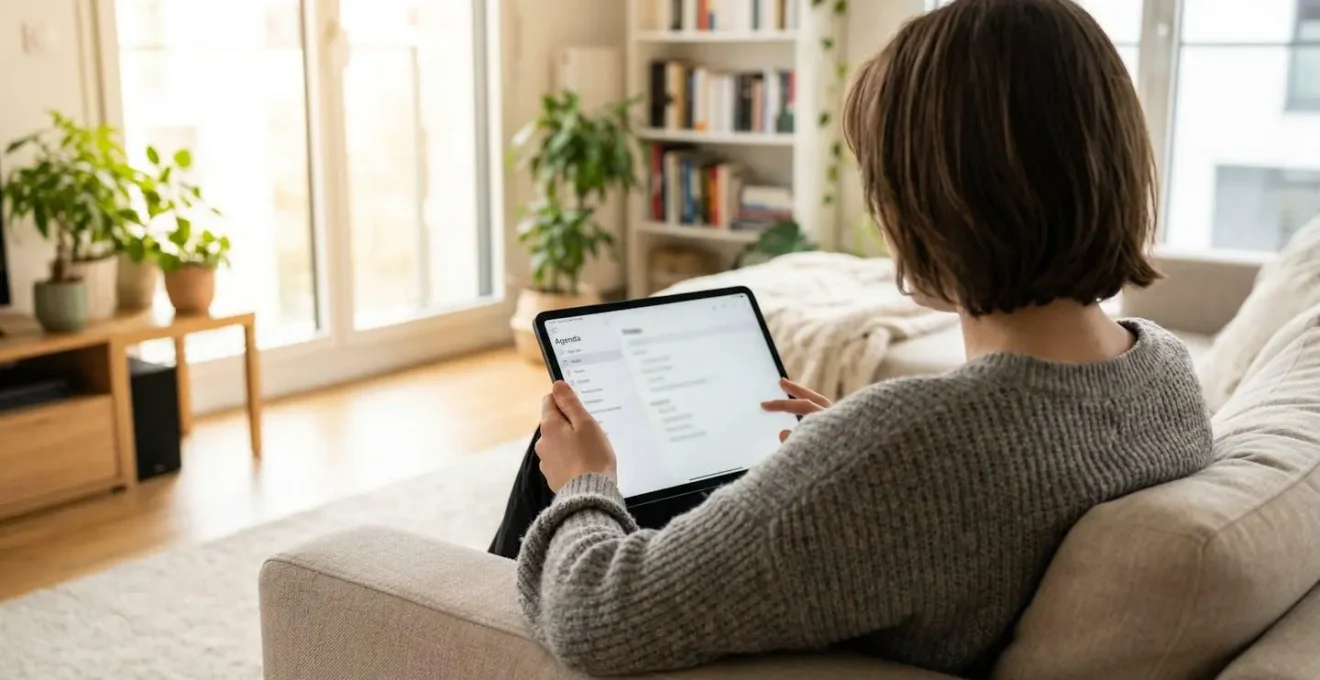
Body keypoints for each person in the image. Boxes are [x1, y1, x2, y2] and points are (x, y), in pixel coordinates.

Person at [492, 0, 1214, 676]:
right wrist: (847, 442)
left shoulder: (908, 450)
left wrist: (588, 483)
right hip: (893, 564)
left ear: (934, 200)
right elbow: (987, 476)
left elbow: (596, 615)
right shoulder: (1161, 369)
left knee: (557, 454)